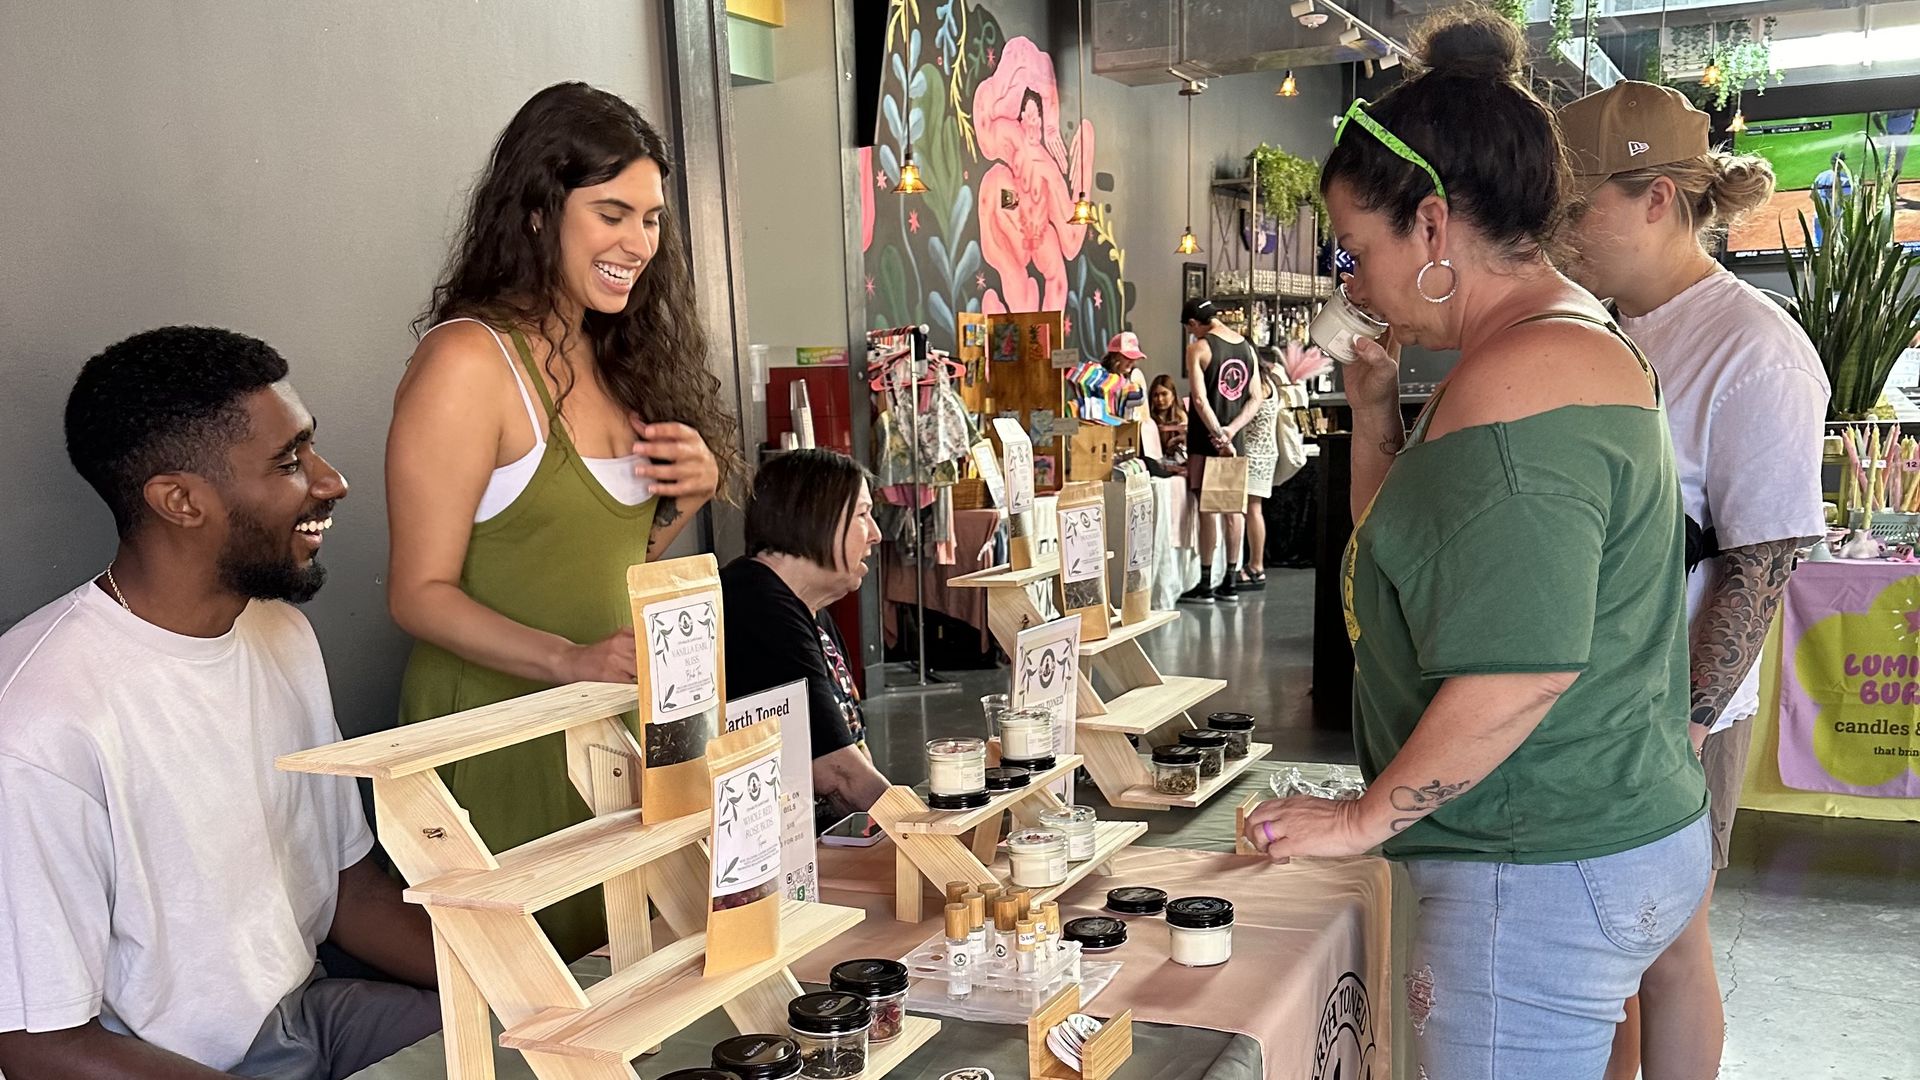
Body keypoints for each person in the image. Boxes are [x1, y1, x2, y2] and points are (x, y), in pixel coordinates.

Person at [1240, 13, 1710, 1080]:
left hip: (1533, 865)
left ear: (1434, 225)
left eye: (1359, 251)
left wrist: (1361, 818)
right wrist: (1371, 415)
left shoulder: (1513, 392)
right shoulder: (1563, 340)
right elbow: (1408, 558)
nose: (1352, 284)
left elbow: (1521, 670)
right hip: (1602, 825)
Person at [0, 327, 440, 1079]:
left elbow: (346, 888)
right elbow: (38, 1045)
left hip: (308, 1019)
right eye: (289, 461)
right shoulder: (41, 723)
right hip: (164, 1064)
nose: (329, 481)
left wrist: (539, 985)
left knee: (554, 1045)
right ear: (179, 500)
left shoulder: (282, 636)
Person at [386, 82, 742, 961]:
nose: (638, 244)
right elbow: (418, 595)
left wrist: (685, 499)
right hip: (499, 735)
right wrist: (569, 663)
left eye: (653, 219)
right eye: (611, 213)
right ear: (540, 210)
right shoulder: (469, 361)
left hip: (607, 731)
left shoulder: (621, 353)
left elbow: (594, 561)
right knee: (532, 999)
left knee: (621, 978)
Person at [1559, 81, 1831, 1080]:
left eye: (1580, 204)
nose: (1563, 230)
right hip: (1583, 703)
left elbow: (1761, 562)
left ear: (1660, 199)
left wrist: (1682, 727)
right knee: (1603, 951)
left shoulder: (1754, 351)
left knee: (1666, 945)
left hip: (1674, 713)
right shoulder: (1603, 325)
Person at [720, 450, 889, 833]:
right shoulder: (756, 604)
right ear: (817, 519)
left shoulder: (804, 604)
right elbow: (839, 775)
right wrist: (929, 834)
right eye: (863, 515)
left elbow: (852, 751)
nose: (876, 534)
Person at [1179, 298, 1262, 603]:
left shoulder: (1199, 347)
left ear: (1192, 324)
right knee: (1233, 511)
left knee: (1208, 512)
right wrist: (1231, 432)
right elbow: (1255, 398)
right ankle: (1230, 581)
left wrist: (1217, 434)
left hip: (1206, 442)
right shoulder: (1246, 348)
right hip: (1234, 443)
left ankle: (1205, 584)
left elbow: (1199, 400)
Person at [1234, 347, 1294, 592]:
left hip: (1253, 453)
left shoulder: (1256, 383)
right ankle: (1255, 564)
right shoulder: (1270, 380)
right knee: (1253, 509)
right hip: (1265, 453)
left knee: (1250, 510)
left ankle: (1254, 565)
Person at [1101, 331, 1152, 424]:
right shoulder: (1099, 378)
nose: (1132, 362)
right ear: (1114, 356)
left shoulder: (1131, 380)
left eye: (1134, 358)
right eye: (1127, 357)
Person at [1148, 374, 1189, 464]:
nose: (1160, 399)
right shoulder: (1149, 420)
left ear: (1173, 395)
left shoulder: (1181, 416)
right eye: (1155, 395)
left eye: (1164, 394)